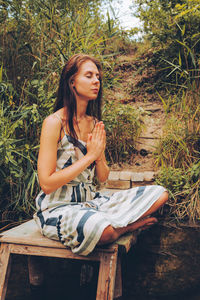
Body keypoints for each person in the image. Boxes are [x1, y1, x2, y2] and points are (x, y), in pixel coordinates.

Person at [34, 53, 168, 256]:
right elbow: (47, 183)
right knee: (102, 231)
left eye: (97, 76)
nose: (96, 81)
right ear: (72, 82)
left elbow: (103, 178)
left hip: (92, 202)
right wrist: (89, 156)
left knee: (160, 193)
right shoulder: (54, 123)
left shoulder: (94, 123)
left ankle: (109, 223)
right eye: (89, 75)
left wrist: (98, 156)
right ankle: (125, 227)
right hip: (59, 209)